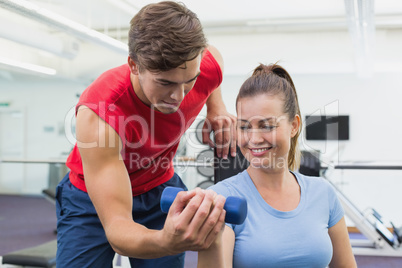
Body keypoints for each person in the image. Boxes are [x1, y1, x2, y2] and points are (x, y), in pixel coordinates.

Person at [55, 1, 236, 267]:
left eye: (190, 81)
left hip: (159, 186)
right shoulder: (102, 111)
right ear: (134, 65)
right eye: (165, 83)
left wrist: (216, 106)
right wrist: (166, 242)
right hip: (91, 199)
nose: (179, 96)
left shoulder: (204, 68)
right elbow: (118, 228)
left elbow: (213, 59)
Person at [198, 63, 357, 267]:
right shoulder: (221, 199)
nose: (253, 139)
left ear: (294, 126)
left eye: (267, 125)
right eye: (244, 126)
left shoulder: (323, 193)